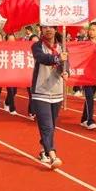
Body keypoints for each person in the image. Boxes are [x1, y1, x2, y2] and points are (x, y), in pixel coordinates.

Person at [30, 25, 69, 168]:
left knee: (51, 126)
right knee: (46, 126)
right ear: (41, 29)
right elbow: (43, 58)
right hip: (41, 92)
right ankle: (52, 155)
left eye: (51, 27)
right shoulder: (37, 46)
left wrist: (66, 72)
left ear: (56, 29)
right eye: (45, 27)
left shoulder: (62, 47)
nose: (48, 30)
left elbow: (66, 64)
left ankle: (43, 150)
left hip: (57, 92)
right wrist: (58, 58)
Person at [80, 22, 96, 130]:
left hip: (95, 76)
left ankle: (83, 119)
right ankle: (90, 120)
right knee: (89, 98)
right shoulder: (84, 44)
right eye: (89, 29)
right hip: (85, 76)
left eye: (93, 30)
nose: (91, 31)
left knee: (89, 98)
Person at [4, 33, 19, 114]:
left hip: (15, 73)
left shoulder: (17, 49)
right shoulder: (3, 50)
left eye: (13, 40)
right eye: (10, 40)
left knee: (14, 92)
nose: (12, 42)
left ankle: (6, 102)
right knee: (10, 90)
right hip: (7, 73)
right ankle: (12, 109)